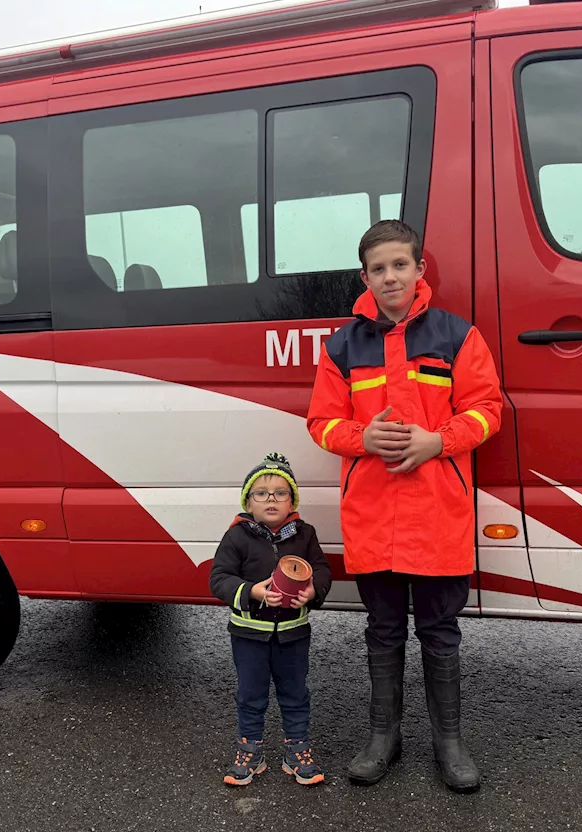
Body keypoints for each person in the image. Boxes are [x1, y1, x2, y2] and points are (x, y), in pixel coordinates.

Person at [306, 220, 503, 792]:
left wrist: (437, 441)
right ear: (364, 277)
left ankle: (449, 742)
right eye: (377, 268)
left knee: (441, 632)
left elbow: (488, 409)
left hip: (438, 512)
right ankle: (383, 737)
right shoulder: (341, 345)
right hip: (373, 514)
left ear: (420, 270)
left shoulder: (458, 336)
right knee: (383, 629)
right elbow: (321, 422)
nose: (389, 276)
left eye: (400, 265)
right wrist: (360, 439)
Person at [209, 453, 333, 787]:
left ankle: (297, 750)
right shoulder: (237, 536)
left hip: (293, 634)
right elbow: (219, 578)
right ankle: (250, 752)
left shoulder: (304, 534)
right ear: (248, 502)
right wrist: (252, 592)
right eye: (261, 493)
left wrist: (313, 591)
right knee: (251, 695)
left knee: (295, 693)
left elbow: (321, 569)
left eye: (280, 492)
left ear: (292, 500)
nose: (271, 499)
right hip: (250, 635)